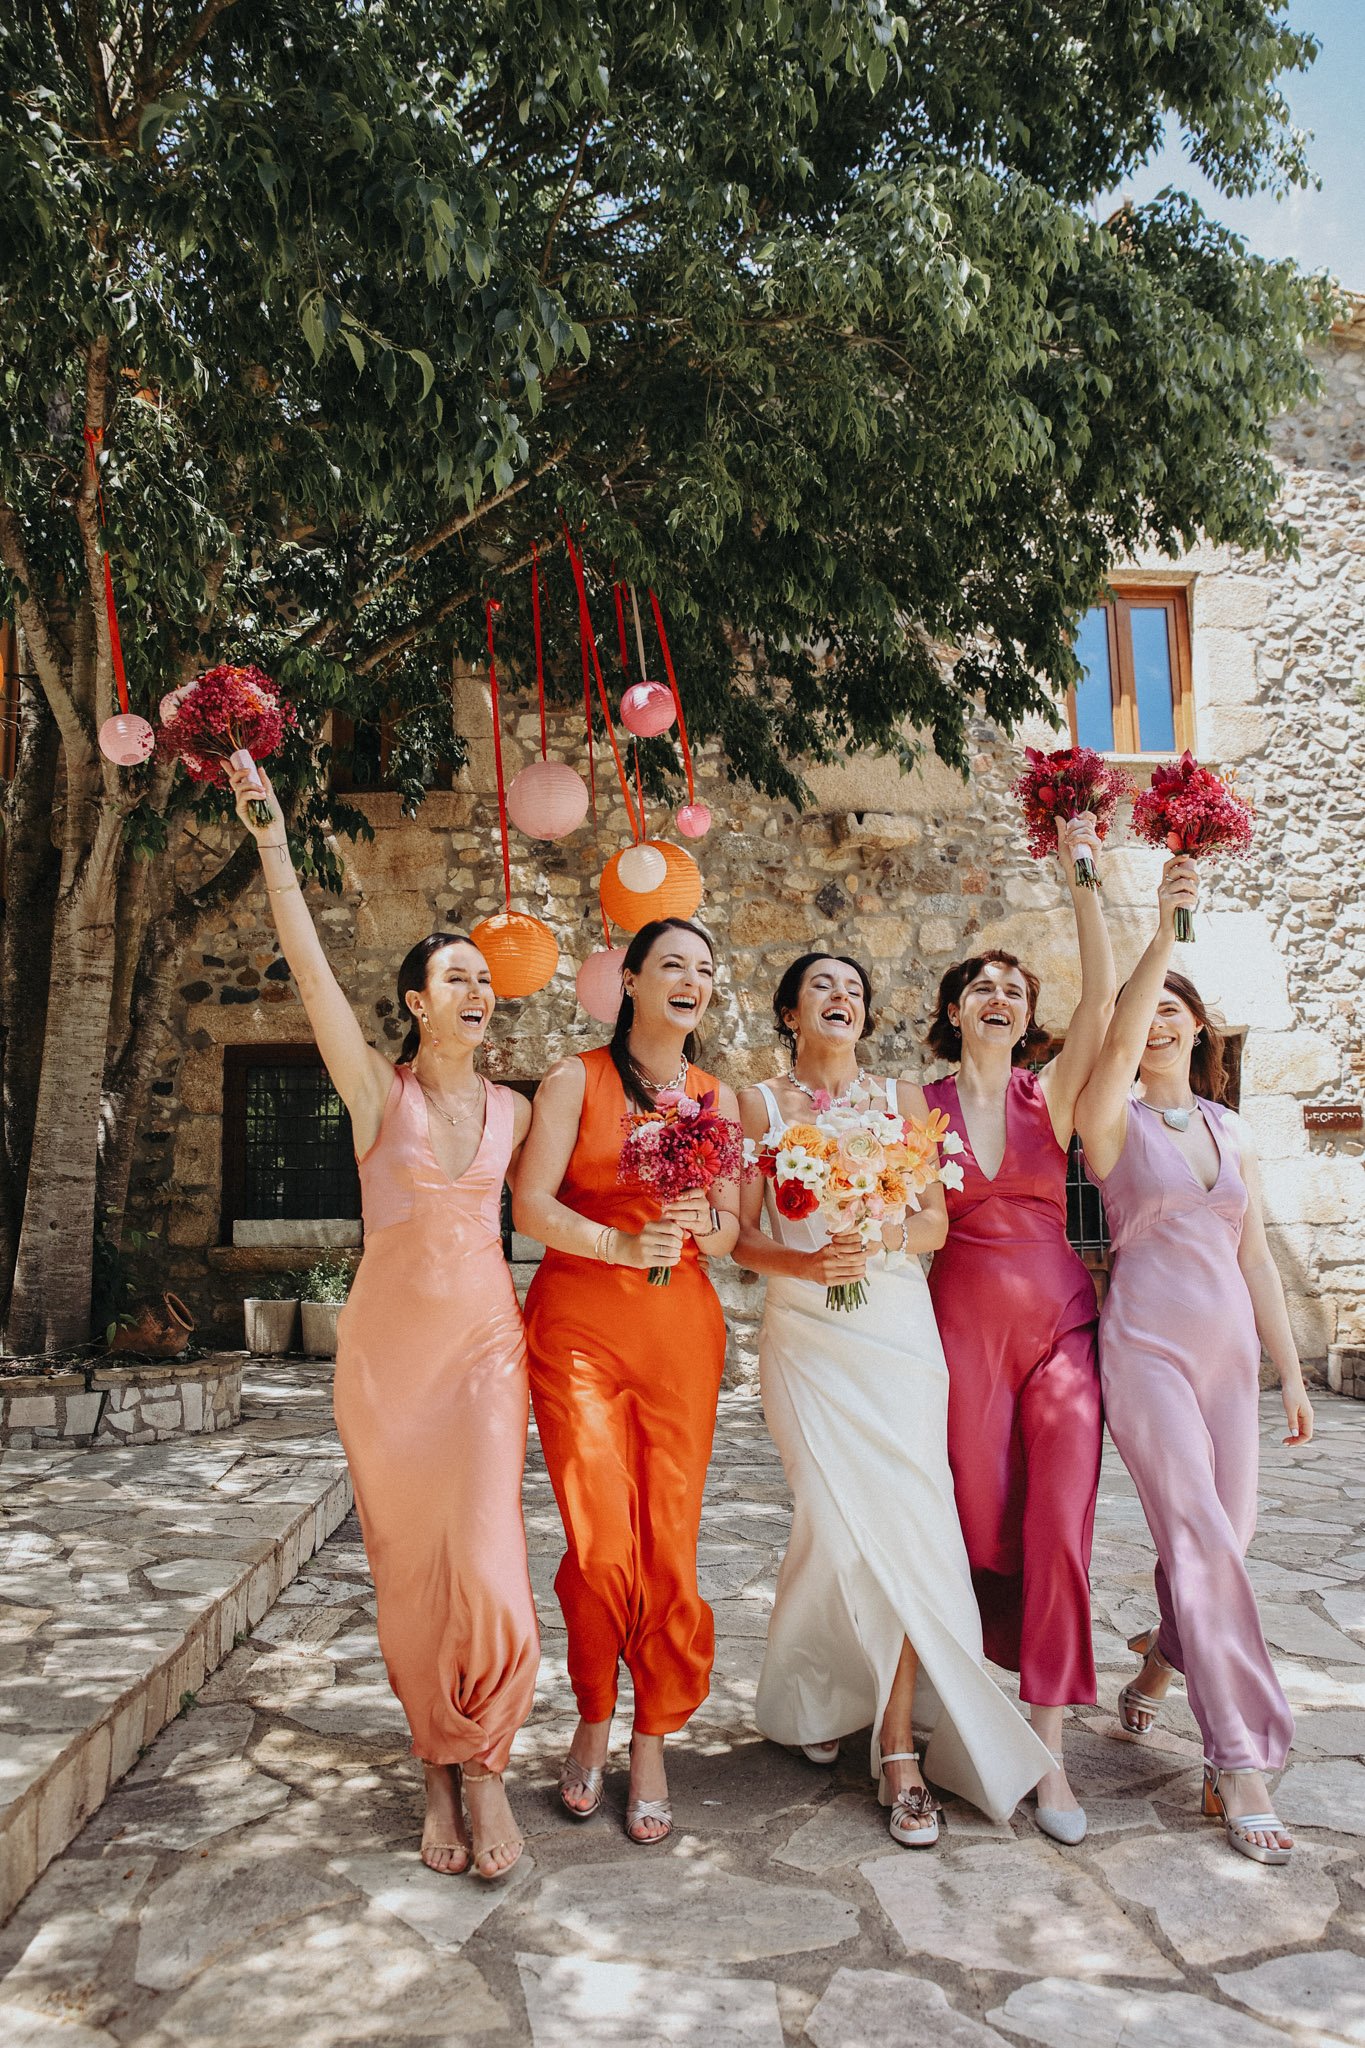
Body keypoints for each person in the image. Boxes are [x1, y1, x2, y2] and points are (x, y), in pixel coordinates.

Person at [227, 762, 536, 1881]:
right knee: (411, 1566)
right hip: (390, 1366)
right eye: (455, 975)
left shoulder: (513, 1107)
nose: (476, 988)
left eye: (482, 977)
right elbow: (310, 974)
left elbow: (558, 1203)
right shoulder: (377, 1094)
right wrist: (272, 842)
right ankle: (436, 1762)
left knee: (492, 1561)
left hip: (488, 1353)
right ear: (415, 1001)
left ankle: (488, 1759)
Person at [735, 954, 1054, 1846]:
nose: (843, 1000)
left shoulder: (902, 1100)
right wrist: (807, 1259)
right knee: (835, 1531)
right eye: (824, 988)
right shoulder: (754, 1104)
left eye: (856, 991)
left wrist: (874, 1223)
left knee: (909, 1532)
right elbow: (740, 1236)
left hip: (895, 1332)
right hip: (805, 1333)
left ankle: (895, 1741)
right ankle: (822, 1690)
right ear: (789, 1010)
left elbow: (931, 1223)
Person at [1075, 856, 1313, 1865]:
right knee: (1201, 1535)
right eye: (1145, 1008)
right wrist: (1161, 933)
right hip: (1147, 1348)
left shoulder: (1234, 1129)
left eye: (1176, 1007)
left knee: (1225, 1539)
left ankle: (1160, 1663)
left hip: (1228, 1361)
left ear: (1203, 1028)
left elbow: (1255, 1254)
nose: (1158, 1019)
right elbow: (1118, 1037)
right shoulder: (1105, 1118)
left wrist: (1291, 1370)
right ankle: (1239, 1758)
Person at [513, 918, 741, 1843]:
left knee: (669, 1544)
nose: (691, 979)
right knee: (603, 1540)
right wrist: (616, 1240)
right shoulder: (576, 1078)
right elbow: (529, 1206)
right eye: (673, 965)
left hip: (680, 1330)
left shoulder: (713, 1095)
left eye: (705, 969)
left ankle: (650, 1734)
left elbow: (728, 1234)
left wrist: (695, 1221)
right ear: (633, 980)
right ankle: (594, 1711)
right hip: (579, 1327)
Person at [921, 813, 1114, 1844]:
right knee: (971, 1519)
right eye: (981, 986)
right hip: (956, 1334)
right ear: (954, 1011)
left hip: (1062, 1334)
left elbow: (1107, 995)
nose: (999, 997)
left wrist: (1082, 874)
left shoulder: (1058, 1094)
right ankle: (957, 1713)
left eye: (1015, 989)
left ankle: (1049, 1752)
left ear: (1026, 1016)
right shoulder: (918, 1107)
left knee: (1060, 1525)